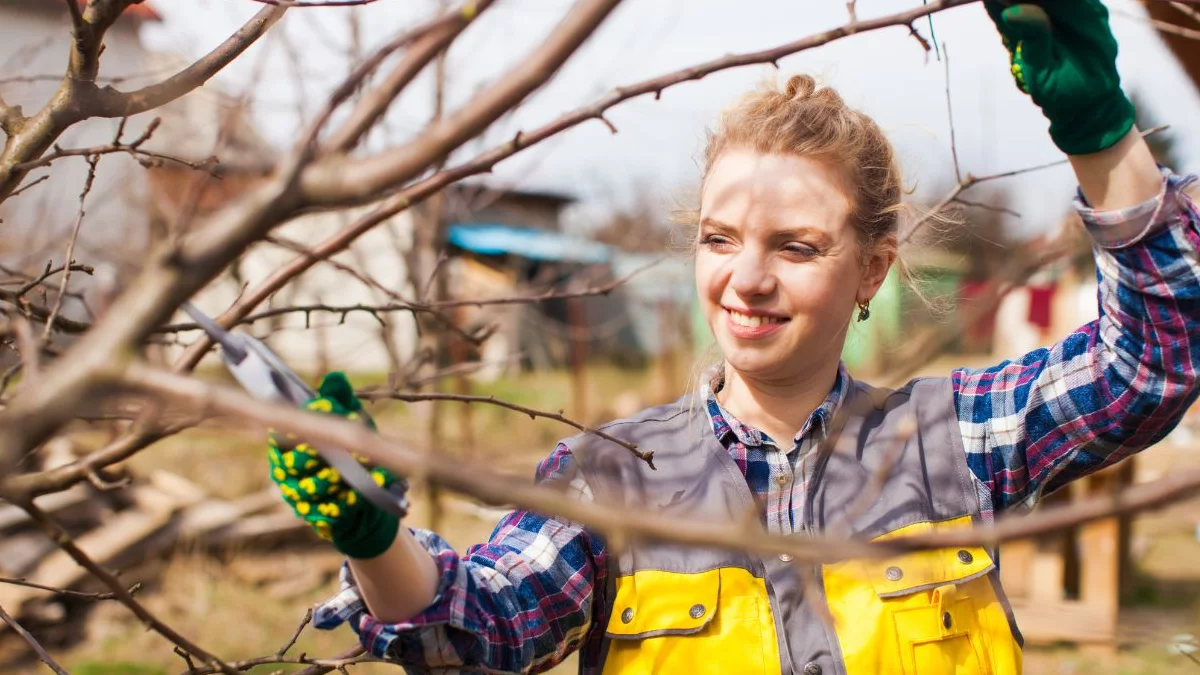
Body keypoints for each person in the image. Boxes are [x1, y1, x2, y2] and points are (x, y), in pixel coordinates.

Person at [267, 2, 1200, 673]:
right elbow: (481, 628)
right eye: (719, 240)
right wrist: (374, 535)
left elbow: (1151, 362)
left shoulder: (951, 440)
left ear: (872, 269)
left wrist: (1099, 129)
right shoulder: (615, 476)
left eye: (795, 247)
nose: (745, 279)